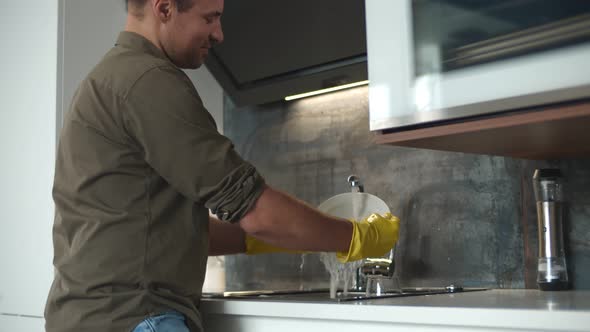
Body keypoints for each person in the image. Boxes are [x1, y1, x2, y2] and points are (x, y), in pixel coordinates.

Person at [44, 0, 400, 331]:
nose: (219, 34)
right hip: (136, 318)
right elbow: (254, 208)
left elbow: (162, 230)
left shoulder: (108, 79)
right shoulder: (149, 81)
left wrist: (264, 240)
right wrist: (356, 236)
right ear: (165, 8)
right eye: (209, 17)